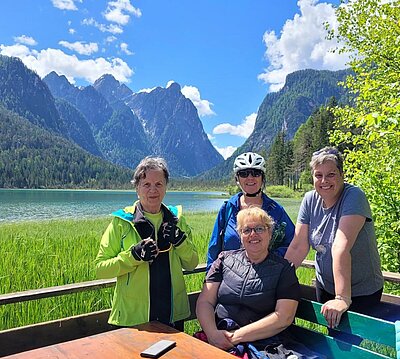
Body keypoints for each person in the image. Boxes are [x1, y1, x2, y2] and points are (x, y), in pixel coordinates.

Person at [197, 207, 321, 358]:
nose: (253, 234)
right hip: (218, 333)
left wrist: (235, 337)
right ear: (240, 235)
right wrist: (212, 334)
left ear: (270, 233)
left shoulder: (284, 269)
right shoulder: (224, 260)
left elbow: (284, 317)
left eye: (260, 228)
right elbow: (205, 301)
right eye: (246, 230)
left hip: (264, 343)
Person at [95, 156, 199, 330]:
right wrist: (133, 256)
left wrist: (180, 241)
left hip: (172, 314)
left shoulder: (177, 219)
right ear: (137, 188)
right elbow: (101, 268)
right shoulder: (122, 222)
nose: (153, 190)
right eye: (146, 185)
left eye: (159, 184)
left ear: (166, 187)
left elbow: (192, 263)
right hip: (132, 317)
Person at [285, 147, 384, 329]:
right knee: (333, 337)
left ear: (341, 174)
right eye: (318, 175)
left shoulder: (354, 196)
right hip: (325, 285)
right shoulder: (309, 200)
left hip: (360, 290)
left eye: (331, 174)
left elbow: (340, 246)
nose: (324, 181)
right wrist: (278, 278)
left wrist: (341, 298)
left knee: (348, 346)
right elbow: (298, 246)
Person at [206, 152, 295, 272]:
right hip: (230, 278)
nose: (250, 178)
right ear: (237, 179)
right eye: (243, 173)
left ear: (262, 177)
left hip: (266, 279)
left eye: (256, 173)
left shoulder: (275, 210)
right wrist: (210, 277)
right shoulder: (228, 208)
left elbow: (293, 242)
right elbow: (214, 248)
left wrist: (271, 259)